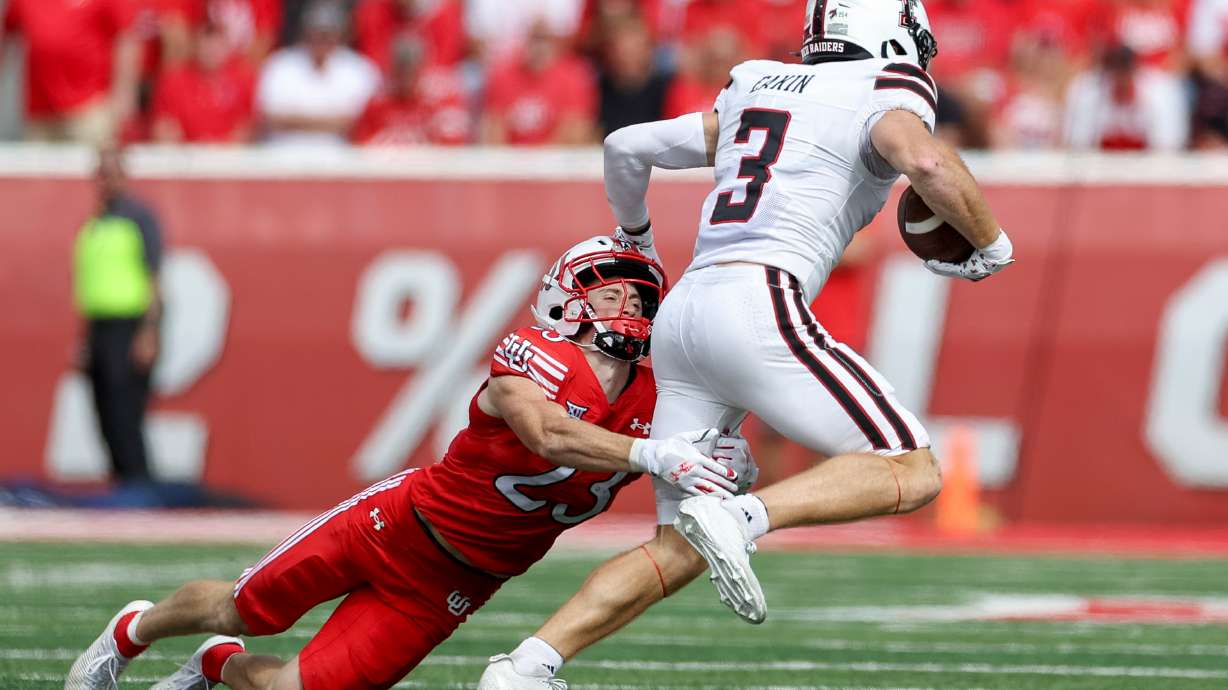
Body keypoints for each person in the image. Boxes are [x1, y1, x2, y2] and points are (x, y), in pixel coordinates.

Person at [480, 0, 1016, 686]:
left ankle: (527, 664)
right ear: (894, 32)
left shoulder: (756, 83)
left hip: (685, 314)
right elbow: (931, 166)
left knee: (676, 546)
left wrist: (637, 239)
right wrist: (993, 245)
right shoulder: (885, 87)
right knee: (911, 468)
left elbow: (625, 148)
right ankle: (744, 514)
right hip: (759, 301)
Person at [64, 236, 754, 690]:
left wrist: (726, 460)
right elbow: (545, 434)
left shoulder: (662, 400)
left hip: (452, 586)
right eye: (612, 293)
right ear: (567, 300)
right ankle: (132, 630)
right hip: (395, 523)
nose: (630, 305)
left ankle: (216, 668)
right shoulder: (537, 353)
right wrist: (655, 454)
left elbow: (705, 458)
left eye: (640, 296)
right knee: (245, 608)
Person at [73, 147, 164, 486]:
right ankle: (120, 483)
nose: (106, 181)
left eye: (112, 174)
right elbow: (90, 288)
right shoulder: (94, 224)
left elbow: (155, 278)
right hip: (99, 329)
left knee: (126, 414)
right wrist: (84, 339)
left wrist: (149, 331)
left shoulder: (138, 218)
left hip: (129, 326)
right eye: (102, 174)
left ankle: (138, 486)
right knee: (104, 412)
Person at [255, 0, 380, 147]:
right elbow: (271, 118)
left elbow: (362, 122)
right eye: (316, 32)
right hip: (285, 157)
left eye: (327, 34)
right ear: (305, 32)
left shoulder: (360, 69)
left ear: (341, 34)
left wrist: (296, 120)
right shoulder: (280, 64)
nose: (321, 40)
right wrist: (334, 122)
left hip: (342, 160)